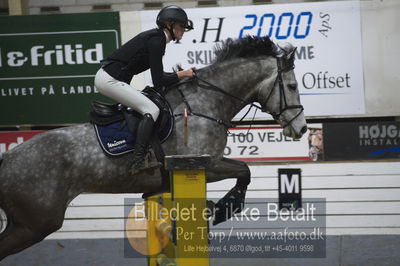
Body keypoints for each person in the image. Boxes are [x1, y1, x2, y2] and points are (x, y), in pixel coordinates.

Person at [94, 5, 195, 174]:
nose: (183, 30)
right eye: (181, 26)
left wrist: (180, 75)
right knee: (152, 109)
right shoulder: (157, 40)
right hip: (109, 80)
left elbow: (159, 78)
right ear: (169, 24)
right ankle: (138, 160)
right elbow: (159, 80)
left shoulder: (156, 38)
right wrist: (183, 74)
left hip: (112, 78)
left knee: (149, 106)